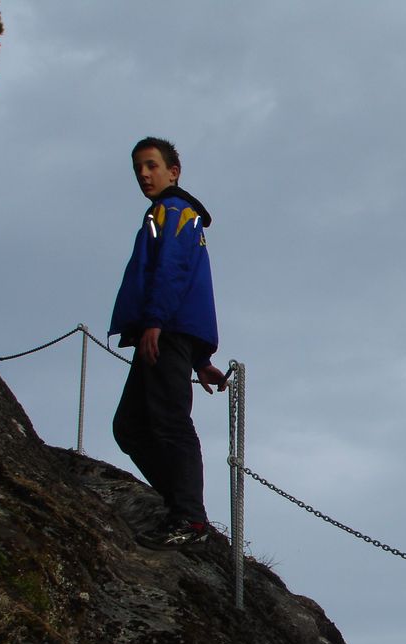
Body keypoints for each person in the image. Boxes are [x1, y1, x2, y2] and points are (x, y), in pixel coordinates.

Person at [109, 137, 227, 550]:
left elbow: (174, 269)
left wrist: (156, 322)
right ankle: (182, 506)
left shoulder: (173, 211)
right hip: (168, 333)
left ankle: (189, 519)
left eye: (152, 166)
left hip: (164, 330)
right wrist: (200, 360)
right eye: (138, 167)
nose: (144, 174)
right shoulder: (170, 213)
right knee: (130, 426)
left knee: (169, 422)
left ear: (173, 171)